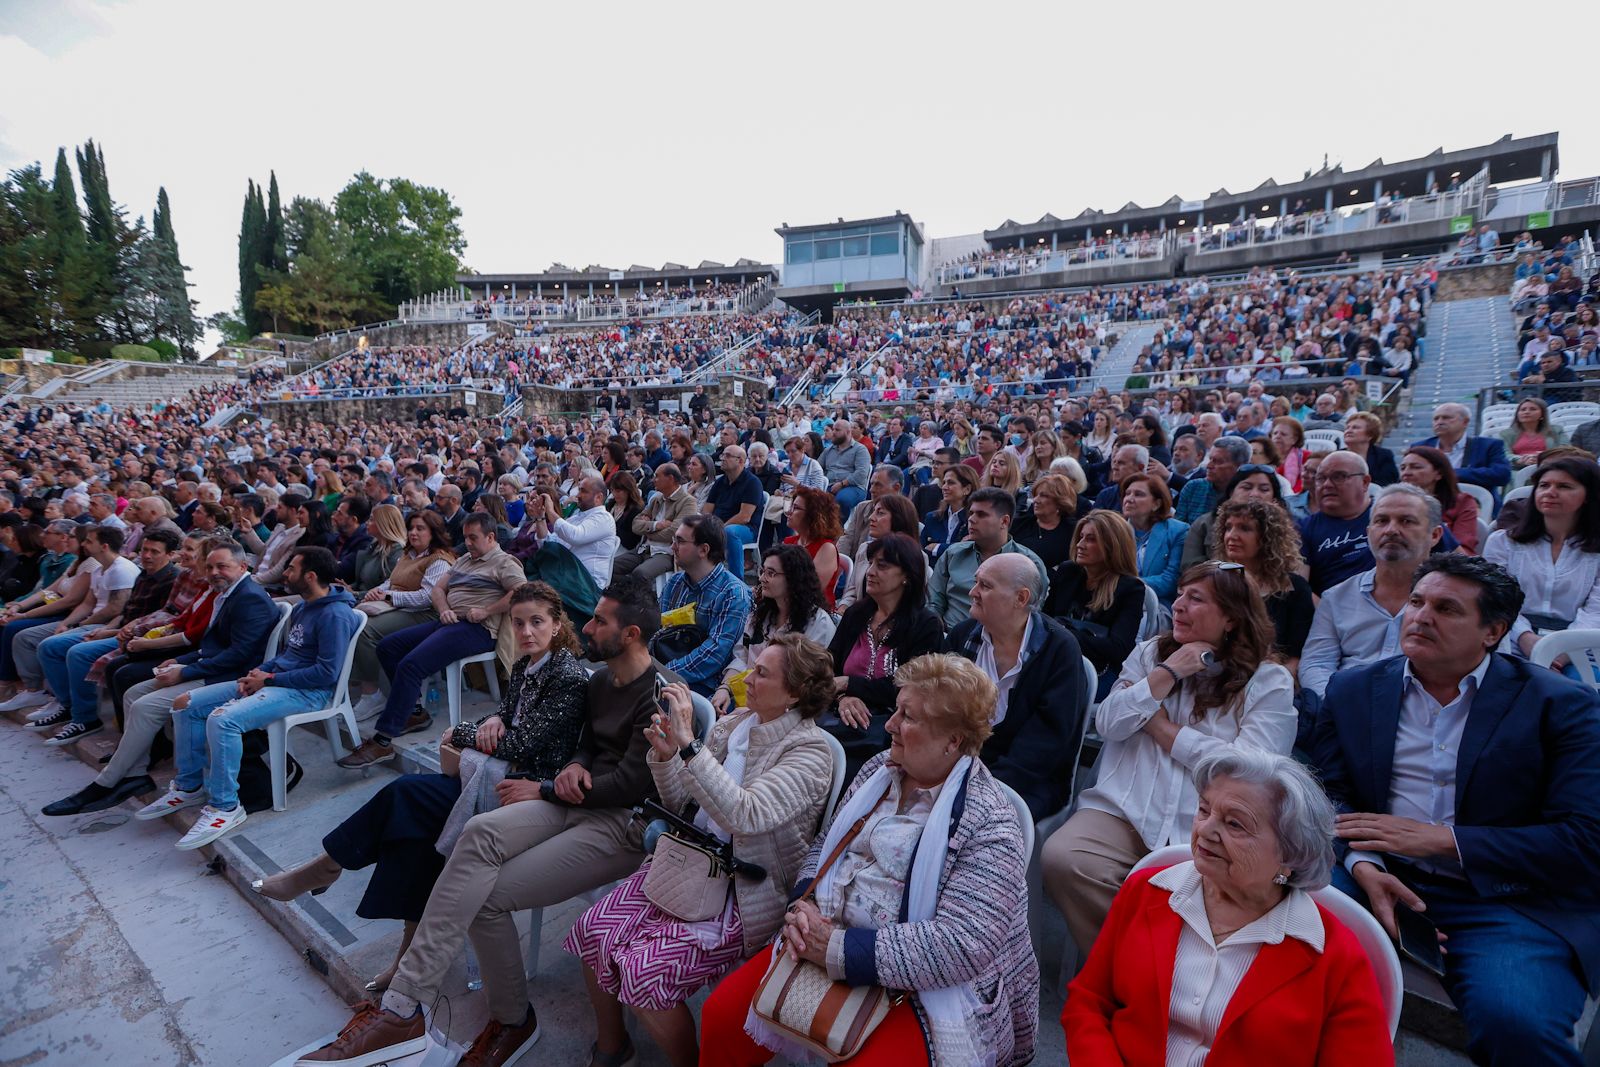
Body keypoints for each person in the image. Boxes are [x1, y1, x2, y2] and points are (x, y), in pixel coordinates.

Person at [296, 577, 681, 1067]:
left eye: (599, 620)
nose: (586, 625)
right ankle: (404, 1006)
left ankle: (507, 1019)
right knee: (475, 836)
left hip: (619, 823)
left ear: (630, 634)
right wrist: (577, 763)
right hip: (572, 798)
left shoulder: (663, 695)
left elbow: (631, 783)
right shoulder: (603, 679)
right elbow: (588, 740)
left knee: (483, 900)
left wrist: (546, 786)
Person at [1313, 555, 1600, 1067]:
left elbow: (1585, 841)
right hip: (1376, 873)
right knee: (1273, 937)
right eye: (1418, 602)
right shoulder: (1354, 688)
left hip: (1507, 899)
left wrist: (1444, 840)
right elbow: (1328, 793)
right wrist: (1364, 865)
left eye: (1446, 609)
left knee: (1517, 1024)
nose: (1420, 617)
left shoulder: (1562, 705)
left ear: (1493, 631)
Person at [700, 654, 1041, 1067]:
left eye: (908, 716)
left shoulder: (990, 821)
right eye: (896, 709)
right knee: (722, 1018)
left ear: (953, 740)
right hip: (826, 937)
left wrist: (840, 950)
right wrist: (803, 904)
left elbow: (962, 945)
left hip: (920, 987)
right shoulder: (879, 769)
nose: (891, 724)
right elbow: (826, 845)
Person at [250, 583, 589, 995]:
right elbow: (510, 714)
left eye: (537, 622)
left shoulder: (567, 675)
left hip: (524, 786)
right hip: (495, 770)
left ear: (557, 625)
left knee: (407, 796)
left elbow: (525, 744)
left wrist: (461, 730)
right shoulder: (526, 664)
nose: (527, 631)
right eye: (518, 623)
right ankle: (402, 951)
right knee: (417, 831)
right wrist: (493, 719)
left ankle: (328, 866)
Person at [568, 635, 837, 1067]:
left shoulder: (811, 751)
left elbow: (745, 815)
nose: (748, 678)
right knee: (592, 930)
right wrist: (667, 757)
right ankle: (614, 1045)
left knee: (643, 973)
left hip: (742, 891)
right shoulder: (737, 724)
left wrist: (690, 746)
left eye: (763, 673)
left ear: (797, 692)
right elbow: (682, 807)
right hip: (687, 861)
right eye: (753, 666)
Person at [1064, 749, 1393, 1066]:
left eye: (1235, 824)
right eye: (1204, 810)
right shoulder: (1147, 892)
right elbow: (1089, 1001)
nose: (1205, 831)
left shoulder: (1337, 958)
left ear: (1291, 855)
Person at [1041, 561, 1296, 954]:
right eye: (1179, 594)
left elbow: (1250, 770)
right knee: (1063, 859)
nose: (1177, 606)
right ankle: (1137, 966)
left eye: (1195, 599)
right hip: (1125, 812)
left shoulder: (1268, 681)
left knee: (1209, 898)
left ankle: (1142, 973)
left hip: (1205, 825)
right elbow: (1109, 722)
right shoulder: (1150, 655)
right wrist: (1166, 674)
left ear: (1230, 617)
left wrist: (1163, 730)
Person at [134, 548, 361, 848]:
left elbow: (326, 674)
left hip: (309, 693)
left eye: (290, 569)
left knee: (222, 720)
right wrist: (258, 673)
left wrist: (270, 679)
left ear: (310, 576)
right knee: (186, 704)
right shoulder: (305, 606)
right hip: (277, 681)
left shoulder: (334, 614)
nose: (284, 574)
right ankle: (189, 786)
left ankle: (226, 807)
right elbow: (287, 655)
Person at [84, 539, 280, 818]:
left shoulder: (249, 597)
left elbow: (239, 656)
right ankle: (136, 771)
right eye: (210, 566)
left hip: (233, 677)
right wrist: (180, 660)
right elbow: (215, 646)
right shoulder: (226, 593)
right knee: (132, 693)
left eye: (222, 566)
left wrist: (185, 671)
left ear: (243, 566)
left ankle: (112, 779)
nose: (214, 572)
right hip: (214, 666)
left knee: (146, 705)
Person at [341, 514, 526, 769]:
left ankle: (383, 740)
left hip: (477, 628)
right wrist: (444, 609)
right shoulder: (463, 560)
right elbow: (438, 590)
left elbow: (521, 592)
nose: (468, 543)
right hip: (449, 621)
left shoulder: (504, 562)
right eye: (466, 537)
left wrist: (488, 610)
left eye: (474, 538)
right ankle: (414, 712)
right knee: (388, 647)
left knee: (411, 665)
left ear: (491, 537)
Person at [945, 553, 1086, 819]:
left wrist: (978, 789)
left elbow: (1046, 745)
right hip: (956, 765)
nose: (973, 592)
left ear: (1021, 598)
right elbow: (936, 707)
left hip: (1028, 781)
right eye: (976, 582)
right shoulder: (963, 636)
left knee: (964, 820)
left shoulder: (1059, 650)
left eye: (985, 586)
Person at [1300, 484, 1445, 704]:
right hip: (1345, 710)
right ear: (1368, 533)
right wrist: (1336, 706)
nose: (1391, 530)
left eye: (1406, 521)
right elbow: (1316, 663)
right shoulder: (1337, 597)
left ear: (1434, 535)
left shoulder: (1454, 600)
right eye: (1381, 521)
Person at [32, 528, 179, 742]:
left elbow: (153, 623)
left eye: (154, 552)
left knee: (78, 653)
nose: (147, 555)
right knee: (49, 647)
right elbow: (125, 612)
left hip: (138, 637)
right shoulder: (143, 574)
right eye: (145, 550)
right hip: (117, 628)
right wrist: (101, 629)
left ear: (170, 555)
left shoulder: (171, 580)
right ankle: (67, 706)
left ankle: (85, 718)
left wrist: (108, 631)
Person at [824, 532, 943, 777]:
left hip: (891, 726)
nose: (871, 571)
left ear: (907, 577)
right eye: (871, 563)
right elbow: (828, 666)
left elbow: (911, 688)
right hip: (838, 714)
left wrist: (849, 684)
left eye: (883, 566)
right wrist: (842, 698)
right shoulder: (856, 615)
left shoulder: (925, 625)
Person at [347, 511, 455, 722]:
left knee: (365, 630)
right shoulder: (409, 555)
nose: (413, 533)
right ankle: (354, 684)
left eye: (420, 528)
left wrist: (389, 596)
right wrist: (377, 592)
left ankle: (372, 694)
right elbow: (391, 582)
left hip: (425, 615)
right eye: (411, 528)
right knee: (350, 620)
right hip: (399, 607)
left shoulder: (439, 559)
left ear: (433, 533)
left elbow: (427, 597)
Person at [1484, 456, 1600, 651]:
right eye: (1544, 485)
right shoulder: (1502, 542)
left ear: (1588, 495)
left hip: (1582, 646)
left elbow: (1596, 612)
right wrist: (1524, 637)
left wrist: (1561, 649)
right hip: (1510, 640)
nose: (1550, 492)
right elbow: (1495, 599)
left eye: (1564, 486)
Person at [713, 544, 838, 715]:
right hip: (748, 695)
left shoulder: (818, 624)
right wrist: (725, 688)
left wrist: (750, 712)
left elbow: (806, 682)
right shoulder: (761, 613)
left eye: (771, 573)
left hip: (788, 709)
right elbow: (742, 656)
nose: (763, 578)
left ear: (794, 579)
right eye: (762, 571)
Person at [1043, 510, 1146, 696]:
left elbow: (1118, 649)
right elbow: (1044, 619)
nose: (1080, 545)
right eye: (1081, 537)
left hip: (1097, 670)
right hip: (1057, 659)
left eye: (1091, 539)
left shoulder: (1130, 589)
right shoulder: (1069, 571)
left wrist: (1063, 633)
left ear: (1112, 545)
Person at [1212, 499, 1314, 672]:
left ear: (1267, 537)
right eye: (1228, 527)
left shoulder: (1295, 588)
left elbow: (1296, 658)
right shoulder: (1214, 582)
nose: (1231, 535)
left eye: (1245, 528)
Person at [657, 514, 753, 697]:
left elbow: (714, 655)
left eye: (680, 541)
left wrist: (662, 672)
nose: (672, 547)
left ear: (703, 550)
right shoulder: (676, 582)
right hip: (666, 670)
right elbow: (656, 628)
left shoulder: (733, 593)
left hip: (705, 685)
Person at [928, 488, 1047, 631]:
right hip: (949, 636)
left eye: (981, 514)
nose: (971, 519)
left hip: (1003, 639)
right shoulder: (953, 554)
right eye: (971, 513)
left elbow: (1031, 614)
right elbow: (934, 603)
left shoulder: (1029, 563)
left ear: (1004, 521)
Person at [1178, 463, 1288, 575]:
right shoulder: (1204, 523)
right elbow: (1191, 568)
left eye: (1264, 489)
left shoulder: (1286, 528)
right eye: (1246, 487)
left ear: (1274, 498)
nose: (1254, 494)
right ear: (1231, 492)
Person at [1298, 450, 1375, 594]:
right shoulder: (1303, 529)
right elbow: (1299, 588)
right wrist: (1330, 613)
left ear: (1365, 482)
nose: (1327, 484)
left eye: (1338, 477)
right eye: (1320, 478)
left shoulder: (1387, 519)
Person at [613, 463, 698, 584]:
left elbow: (674, 533)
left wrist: (648, 532)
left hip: (666, 553)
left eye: (657, 476)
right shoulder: (657, 498)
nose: (653, 480)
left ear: (670, 479)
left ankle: (638, 598)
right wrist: (655, 525)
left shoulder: (688, 502)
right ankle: (626, 592)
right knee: (610, 567)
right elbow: (635, 525)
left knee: (640, 574)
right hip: (643, 549)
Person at [836, 493, 920, 615]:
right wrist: (843, 607)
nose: (871, 517)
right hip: (859, 618)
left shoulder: (917, 558)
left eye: (880, 513)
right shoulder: (864, 549)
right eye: (873, 511)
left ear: (899, 518)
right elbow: (852, 590)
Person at [1413, 402, 1511, 503]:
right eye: (1436, 419)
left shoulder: (1488, 446)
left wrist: (1450, 473)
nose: (1440, 422)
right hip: (1426, 505)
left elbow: (1502, 475)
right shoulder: (1419, 447)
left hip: (1477, 506)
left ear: (1465, 422)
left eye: (1446, 417)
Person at [1120, 472, 1188, 605]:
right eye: (1127, 493)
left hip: (1156, 604)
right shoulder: (1114, 530)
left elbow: (1171, 580)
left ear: (1156, 504)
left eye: (1138, 494)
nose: (1129, 499)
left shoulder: (1178, 531)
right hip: (1115, 600)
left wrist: (1127, 585)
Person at [1399, 445, 1480, 552]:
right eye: (1402, 468)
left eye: (1416, 467)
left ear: (1439, 474)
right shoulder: (1392, 505)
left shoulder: (1462, 502)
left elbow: (1464, 554)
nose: (1406, 473)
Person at [704, 444, 764, 580]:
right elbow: (707, 510)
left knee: (730, 532)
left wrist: (719, 528)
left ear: (741, 461)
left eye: (728, 456)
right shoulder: (719, 482)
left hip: (746, 529)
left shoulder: (752, 483)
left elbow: (744, 517)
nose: (723, 459)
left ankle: (736, 583)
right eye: (723, 455)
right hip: (718, 526)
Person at [782, 485, 841, 611]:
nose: (789, 512)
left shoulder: (826, 548)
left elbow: (810, 592)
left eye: (796, 508)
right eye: (791, 506)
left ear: (813, 515)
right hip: (786, 605)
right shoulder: (789, 542)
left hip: (814, 613)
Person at [1010, 472, 1078, 571]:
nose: (1035, 500)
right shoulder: (1018, 525)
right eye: (1035, 495)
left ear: (1060, 501)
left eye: (1044, 496)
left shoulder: (1073, 531)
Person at [1174, 436, 1249, 523]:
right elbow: (1178, 529)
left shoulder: (1247, 495)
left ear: (1240, 466)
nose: (1209, 466)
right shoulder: (1193, 487)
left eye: (1218, 461)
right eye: (1210, 459)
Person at [838, 465, 904, 562]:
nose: (871, 490)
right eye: (871, 484)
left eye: (878, 485)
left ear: (896, 488)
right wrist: (840, 563)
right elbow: (847, 538)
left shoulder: (907, 518)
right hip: (856, 565)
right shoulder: (862, 507)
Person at [344, 503, 406, 593]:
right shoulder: (373, 546)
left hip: (373, 602)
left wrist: (355, 594)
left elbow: (386, 589)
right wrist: (348, 588)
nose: (367, 522)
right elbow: (362, 582)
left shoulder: (398, 552)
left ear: (383, 524)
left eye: (371, 519)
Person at [921, 462, 977, 559]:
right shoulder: (932, 518)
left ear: (967, 489)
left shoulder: (976, 520)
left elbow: (971, 553)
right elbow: (922, 551)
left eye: (950, 483)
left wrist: (938, 547)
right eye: (944, 482)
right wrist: (957, 547)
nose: (944, 487)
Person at [821, 419, 872, 519]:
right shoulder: (828, 450)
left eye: (837, 430)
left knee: (842, 500)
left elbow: (861, 473)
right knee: (813, 498)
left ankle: (837, 531)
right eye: (833, 429)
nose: (833, 433)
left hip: (853, 487)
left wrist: (842, 484)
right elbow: (818, 468)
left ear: (848, 432)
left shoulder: (860, 449)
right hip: (830, 485)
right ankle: (819, 530)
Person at [1499, 397, 1568, 469]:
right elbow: (1504, 454)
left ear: (1542, 415)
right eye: (1523, 410)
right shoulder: (1505, 434)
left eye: (1533, 409)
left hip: (1550, 467)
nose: (1526, 412)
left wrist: (1544, 456)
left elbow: (1566, 449)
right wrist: (1520, 460)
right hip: (1518, 469)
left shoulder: (1556, 430)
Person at [1342, 412, 1398, 486]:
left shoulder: (1383, 455)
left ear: (1370, 435)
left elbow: (1388, 483)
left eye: (1355, 427)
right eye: (1347, 428)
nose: (1349, 431)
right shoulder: (1335, 455)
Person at [606, 471, 645, 554]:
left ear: (628, 490)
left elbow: (631, 542)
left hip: (622, 550)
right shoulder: (610, 505)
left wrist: (611, 527)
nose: (614, 494)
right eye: (612, 490)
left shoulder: (636, 510)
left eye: (618, 491)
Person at [1270, 414, 1310, 493]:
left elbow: (1304, 484)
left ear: (1294, 439)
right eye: (1275, 433)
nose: (1277, 436)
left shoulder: (1305, 457)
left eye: (1283, 434)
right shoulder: (1265, 456)